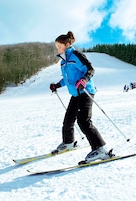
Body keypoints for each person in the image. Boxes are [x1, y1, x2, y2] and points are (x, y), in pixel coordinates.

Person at [49, 31, 111, 162]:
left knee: (83, 121)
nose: (58, 49)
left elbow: (90, 69)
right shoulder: (63, 62)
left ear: (67, 44)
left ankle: (101, 149)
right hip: (76, 94)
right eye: (57, 47)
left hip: (86, 91)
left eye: (60, 46)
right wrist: (56, 85)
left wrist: (84, 80)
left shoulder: (76, 55)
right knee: (68, 120)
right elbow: (67, 80)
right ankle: (68, 143)